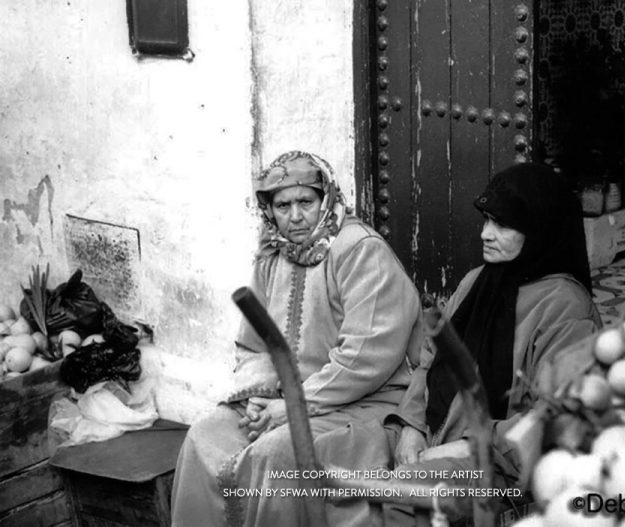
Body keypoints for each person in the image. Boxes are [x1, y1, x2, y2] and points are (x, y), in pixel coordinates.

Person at [171, 151, 423, 527]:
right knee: (204, 435)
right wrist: (257, 395)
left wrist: (294, 406)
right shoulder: (273, 255)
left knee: (277, 453)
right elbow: (253, 344)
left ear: (326, 200)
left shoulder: (359, 250)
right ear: (270, 210)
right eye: (282, 205)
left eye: (306, 201)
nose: (295, 215)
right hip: (282, 399)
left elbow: (364, 359)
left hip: (361, 402)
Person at [384, 162, 602, 524]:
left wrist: (474, 445)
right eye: (486, 220)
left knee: (403, 493)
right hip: (434, 434)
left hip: (504, 465)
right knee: (329, 456)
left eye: (501, 224)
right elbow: (431, 358)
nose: (485, 233)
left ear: (539, 228)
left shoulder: (565, 306)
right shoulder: (477, 281)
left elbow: (555, 415)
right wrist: (410, 425)